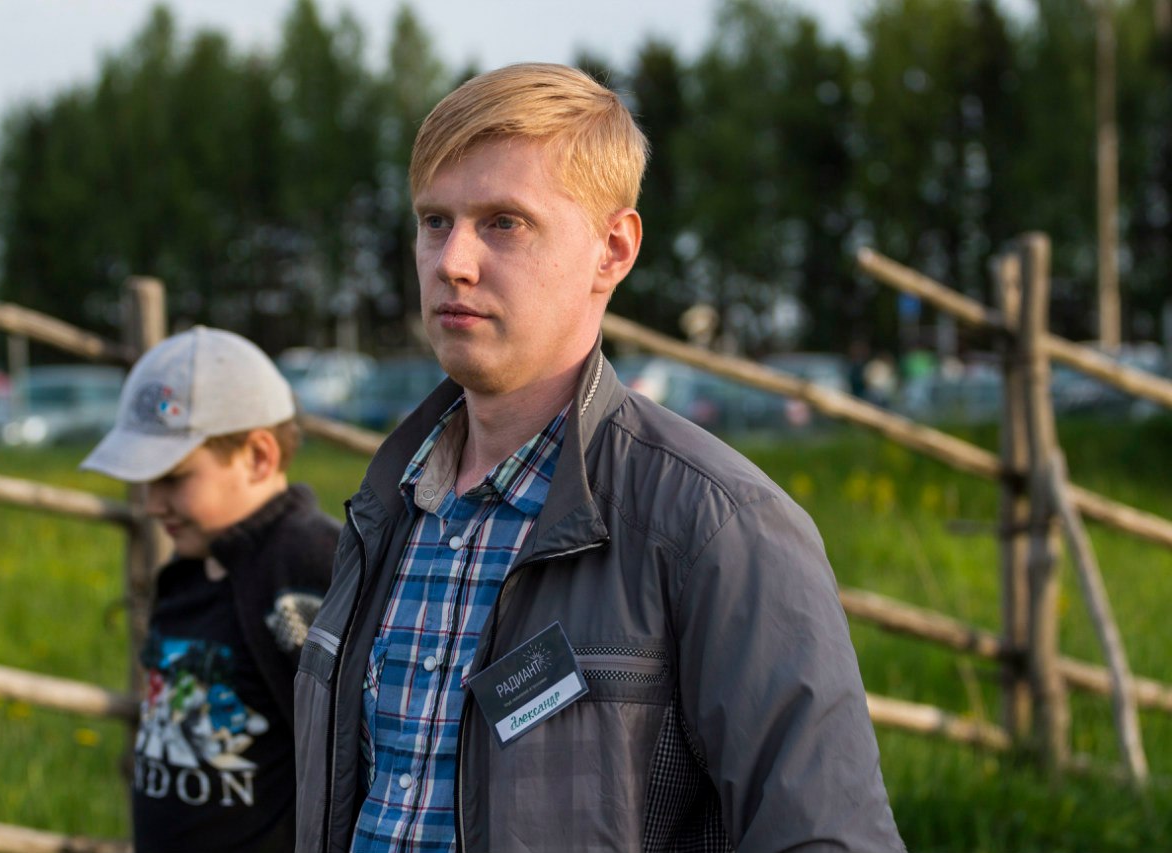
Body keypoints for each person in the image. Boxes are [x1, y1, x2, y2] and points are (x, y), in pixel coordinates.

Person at [294, 63, 904, 852]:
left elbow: (825, 836)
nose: (453, 261)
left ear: (612, 250)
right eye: (435, 221)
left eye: (504, 222)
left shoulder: (717, 527)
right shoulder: (389, 506)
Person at [81, 325, 341, 853]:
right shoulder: (190, 569)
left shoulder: (306, 568)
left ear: (259, 457)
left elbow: (347, 746)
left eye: (174, 478)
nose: (151, 504)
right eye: (146, 481)